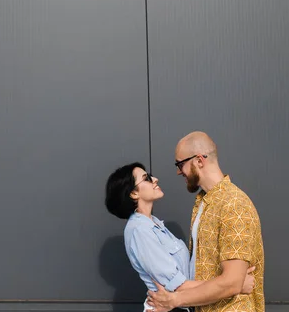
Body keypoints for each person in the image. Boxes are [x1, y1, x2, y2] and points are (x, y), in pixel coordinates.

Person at [105, 162, 254, 312]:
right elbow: (178, 285)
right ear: (133, 193)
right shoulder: (139, 230)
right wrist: (235, 285)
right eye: (147, 178)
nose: (155, 179)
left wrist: (231, 280)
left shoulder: (154, 224)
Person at [148, 131, 264, 312]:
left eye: (180, 164)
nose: (179, 172)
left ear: (199, 160)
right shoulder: (204, 202)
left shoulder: (234, 204)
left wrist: (175, 299)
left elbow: (232, 282)